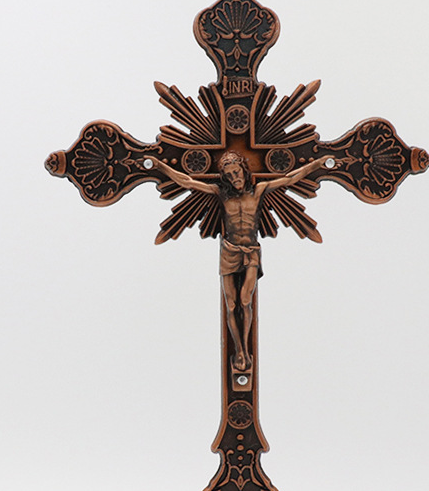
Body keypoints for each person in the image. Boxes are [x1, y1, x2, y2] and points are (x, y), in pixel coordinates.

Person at [142, 150, 337, 372]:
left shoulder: (259, 191)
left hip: (251, 251)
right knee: (231, 304)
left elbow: (290, 178)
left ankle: (244, 347)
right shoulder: (221, 194)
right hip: (229, 251)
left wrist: (317, 164)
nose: (234, 178)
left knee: (245, 300)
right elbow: (186, 182)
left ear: (243, 170)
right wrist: (159, 166)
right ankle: (240, 351)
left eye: (236, 172)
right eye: (229, 175)